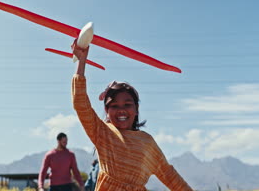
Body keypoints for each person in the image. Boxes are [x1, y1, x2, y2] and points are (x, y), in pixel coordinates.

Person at [70, 41, 193, 191]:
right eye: (114, 106)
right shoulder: (103, 133)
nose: (121, 110)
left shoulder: (147, 142)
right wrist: (81, 62)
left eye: (127, 104)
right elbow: (80, 103)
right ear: (107, 111)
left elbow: (169, 175)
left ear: (136, 108)